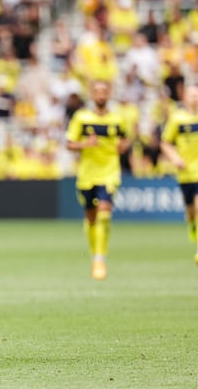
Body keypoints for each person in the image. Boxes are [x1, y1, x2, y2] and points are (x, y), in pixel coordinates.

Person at [66, 80, 129, 280]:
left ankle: (100, 259)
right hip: (87, 174)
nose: (101, 95)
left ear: (109, 93)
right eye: (97, 91)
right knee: (91, 216)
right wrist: (86, 144)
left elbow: (125, 138)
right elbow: (69, 144)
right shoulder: (81, 117)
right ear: (92, 95)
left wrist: (122, 147)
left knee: (104, 213)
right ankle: (95, 254)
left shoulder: (118, 118)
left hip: (109, 172)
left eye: (104, 91)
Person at [160, 85, 198, 266]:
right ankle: (192, 226)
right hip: (186, 173)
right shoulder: (177, 119)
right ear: (185, 98)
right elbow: (165, 143)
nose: (194, 98)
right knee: (191, 212)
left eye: (197, 94)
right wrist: (175, 158)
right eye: (191, 95)